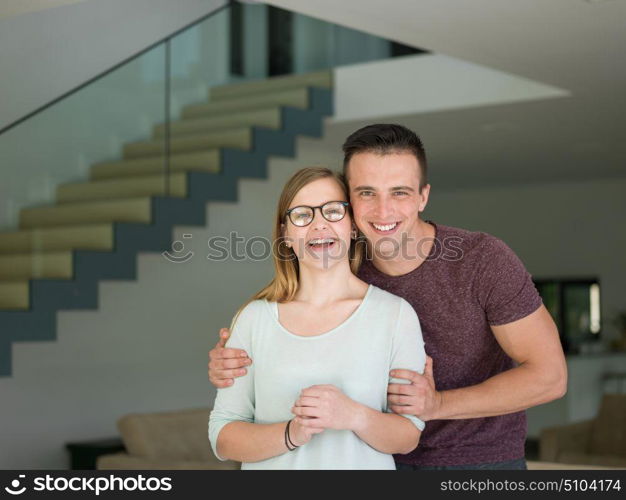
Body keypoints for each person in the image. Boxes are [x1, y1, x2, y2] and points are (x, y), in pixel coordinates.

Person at [209, 124, 568, 470]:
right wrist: (237, 362)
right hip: (379, 462)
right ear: (348, 203)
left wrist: (438, 403)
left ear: (423, 196)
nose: (383, 211)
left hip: (477, 462)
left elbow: (550, 376)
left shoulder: (481, 260)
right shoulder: (336, 263)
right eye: (366, 193)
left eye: (399, 192)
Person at [208, 166, 427, 469]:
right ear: (285, 233)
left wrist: (353, 415)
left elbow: (408, 436)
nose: (319, 225)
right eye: (302, 215)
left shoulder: (395, 314)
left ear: (352, 226)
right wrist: (291, 433)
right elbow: (223, 436)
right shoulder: (253, 318)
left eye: (333, 211)